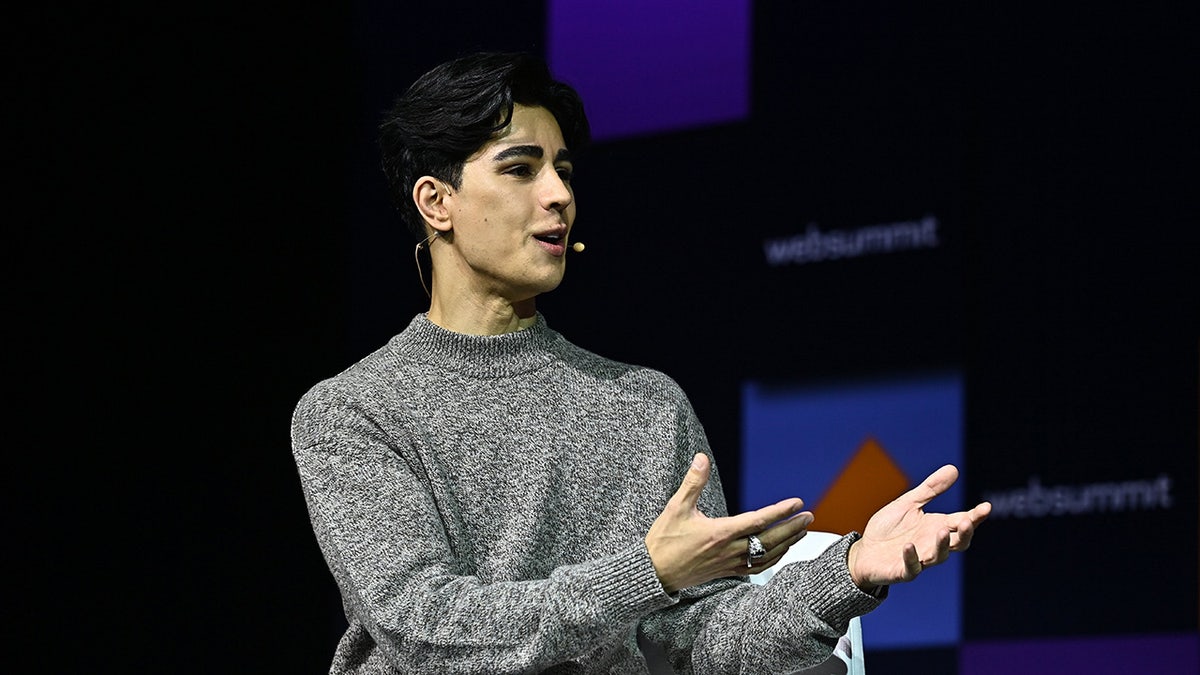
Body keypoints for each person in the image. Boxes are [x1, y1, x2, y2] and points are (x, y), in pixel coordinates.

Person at [291, 51, 991, 674]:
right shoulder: (352, 410)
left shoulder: (645, 404)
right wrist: (647, 572)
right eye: (520, 168)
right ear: (436, 202)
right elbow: (427, 632)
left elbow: (703, 646)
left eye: (562, 170)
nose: (559, 194)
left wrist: (846, 571)